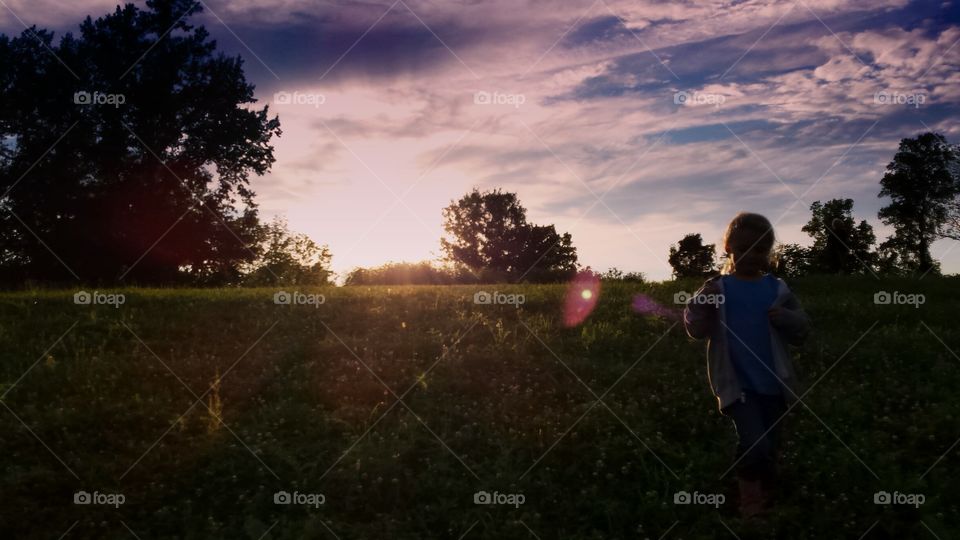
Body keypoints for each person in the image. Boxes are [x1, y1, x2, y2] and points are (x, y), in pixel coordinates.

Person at [683, 212, 810, 518]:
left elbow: (802, 331)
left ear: (768, 252)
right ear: (728, 249)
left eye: (758, 249)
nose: (750, 256)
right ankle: (750, 501)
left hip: (775, 384)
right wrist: (701, 305)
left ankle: (766, 487)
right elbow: (695, 328)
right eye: (742, 249)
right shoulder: (717, 288)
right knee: (755, 442)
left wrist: (789, 319)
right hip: (738, 386)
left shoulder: (778, 289)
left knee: (770, 443)